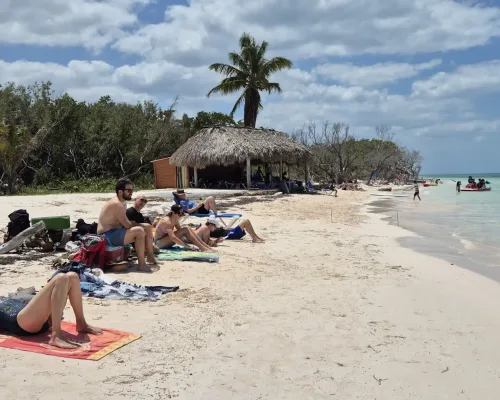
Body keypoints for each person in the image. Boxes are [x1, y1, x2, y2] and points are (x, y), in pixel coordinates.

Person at [0, 272, 102, 349]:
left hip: (40, 317)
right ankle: (55, 335)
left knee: (73, 276)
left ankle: (81, 323)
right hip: (23, 323)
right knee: (61, 278)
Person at [97, 178, 158, 272]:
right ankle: (141, 264)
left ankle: (150, 256)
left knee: (145, 229)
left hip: (114, 232)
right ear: (120, 191)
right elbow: (128, 225)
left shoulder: (123, 203)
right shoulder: (116, 204)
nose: (131, 193)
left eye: (132, 190)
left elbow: (125, 224)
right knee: (140, 230)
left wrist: (144, 226)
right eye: (129, 190)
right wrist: (142, 225)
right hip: (106, 236)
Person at [199, 216, 265, 244]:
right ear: (211, 225)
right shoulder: (206, 230)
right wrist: (216, 241)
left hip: (230, 232)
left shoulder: (208, 228)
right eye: (214, 226)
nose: (215, 227)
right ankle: (255, 238)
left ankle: (256, 237)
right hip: (229, 235)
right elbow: (206, 240)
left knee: (246, 222)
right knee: (246, 221)